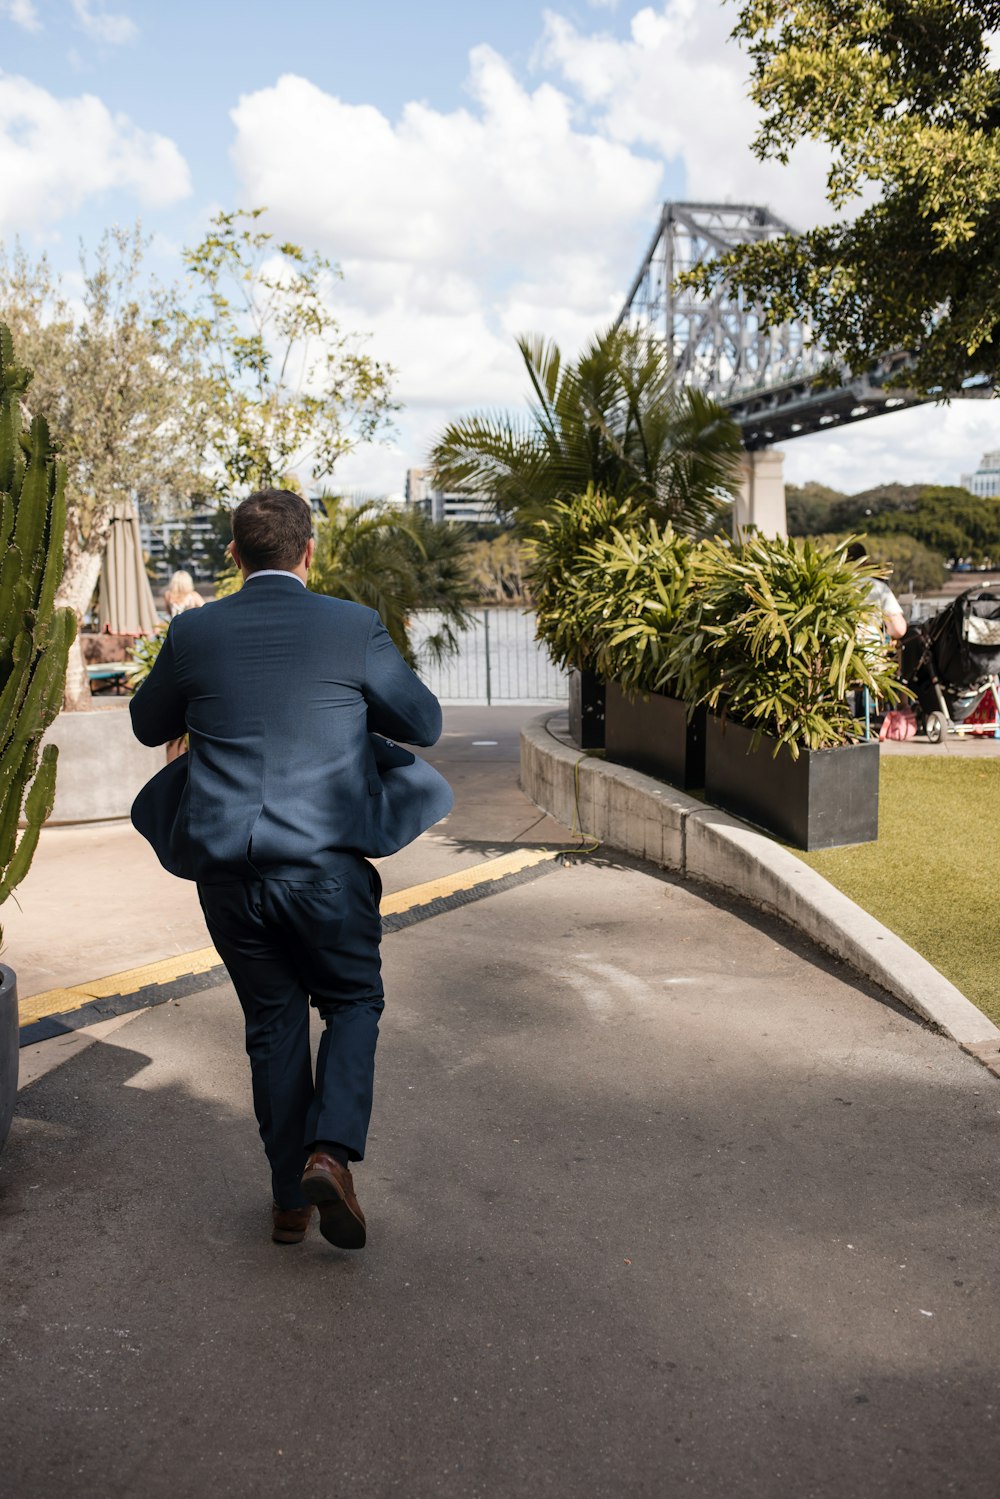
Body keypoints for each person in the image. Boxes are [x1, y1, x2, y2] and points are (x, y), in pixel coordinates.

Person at [128, 489, 452, 1251]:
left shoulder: (194, 629)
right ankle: (329, 1154)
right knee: (351, 1000)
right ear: (310, 552)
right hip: (325, 871)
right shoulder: (351, 625)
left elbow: (148, 724)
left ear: (235, 558)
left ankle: (287, 1206)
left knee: (272, 1024)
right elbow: (426, 723)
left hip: (229, 877)